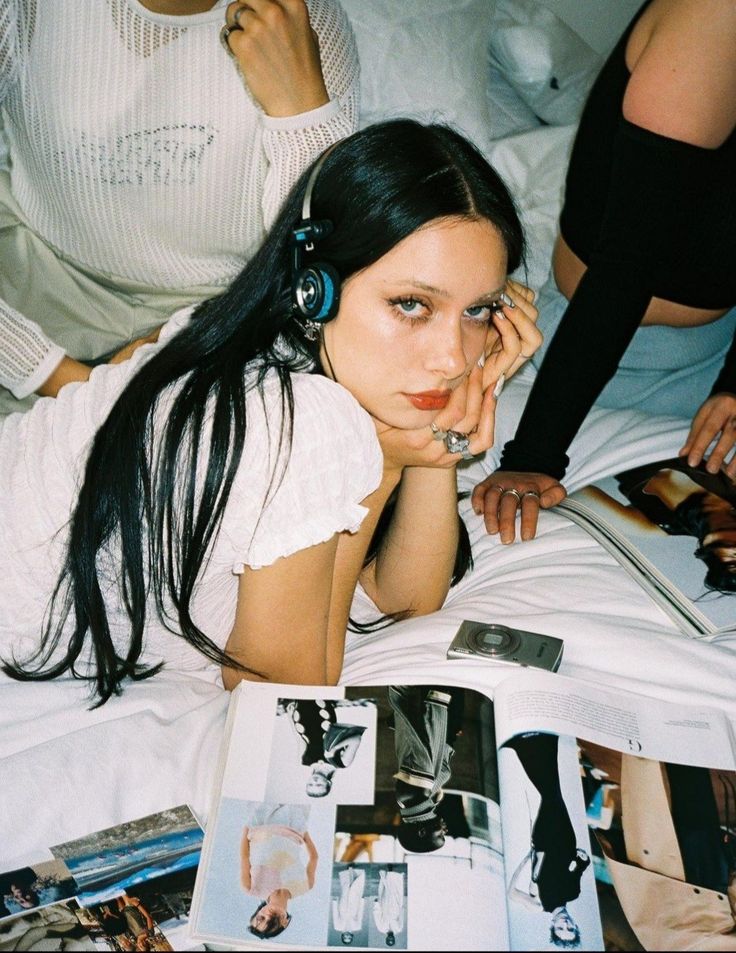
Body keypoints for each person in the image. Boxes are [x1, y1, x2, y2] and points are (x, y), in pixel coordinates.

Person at [0, 119, 539, 705]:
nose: (452, 358)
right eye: (412, 304)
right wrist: (381, 467)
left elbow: (400, 599)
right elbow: (284, 691)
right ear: (316, 288)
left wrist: (439, 438)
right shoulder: (304, 418)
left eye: (479, 310)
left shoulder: (272, 347)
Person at [0, 0, 360, 416]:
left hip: (225, 322)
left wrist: (305, 117)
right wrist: (57, 377)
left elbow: (318, 280)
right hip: (29, 286)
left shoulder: (305, 25)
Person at [472, 0, 736, 544]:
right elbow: (625, 267)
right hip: (602, 354)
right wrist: (534, 455)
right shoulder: (714, 20)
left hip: (720, 354)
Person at [503, 733, 590, 950]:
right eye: (571, 929)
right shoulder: (573, 893)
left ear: (553, 927)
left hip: (543, 842)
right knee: (554, 794)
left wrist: (525, 862)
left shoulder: (538, 905)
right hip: (565, 840)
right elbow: (579, 867)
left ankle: (533, 745)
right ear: (576, 926)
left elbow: (511, 893)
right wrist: (583, 859)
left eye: (561, 930)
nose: (566, 925)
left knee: (550, 795)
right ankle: (536, 744)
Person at [388, 686, 464, 853]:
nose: (445, 831)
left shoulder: (417, 793)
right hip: (443, 718)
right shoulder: (412, 800)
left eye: (441, 836)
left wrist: (440, 697)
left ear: (422, 832)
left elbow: (422, 740)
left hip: (438, 704)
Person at [241, 803, 317, 940]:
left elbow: (244, 856)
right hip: (294, 824)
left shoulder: (251, 888)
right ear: (284, 922)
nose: (268, 917)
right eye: (271, 924)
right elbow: (314, 858)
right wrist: (304, 832)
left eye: (261, 918)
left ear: (259, 911)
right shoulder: (305, 887)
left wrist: (248, 826)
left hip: (260, 821)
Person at [283, 698, 367, 797]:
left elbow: (299, 739)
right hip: (322, 715)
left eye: (310, 784)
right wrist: (335, 749)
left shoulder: (303, 761)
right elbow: (357, 739)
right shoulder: (341, 763)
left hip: (300, 719)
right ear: (329, 783)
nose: (314, 781)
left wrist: (289, 716)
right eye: (318, 785)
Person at [331, 864, 365, 943]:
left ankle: (348, 870)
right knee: (355, 891)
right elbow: (360, 914)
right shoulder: (357, 927)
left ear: (342, 936)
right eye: (348, 938)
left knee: (346, 889)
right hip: (354, 907)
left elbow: (335, 915)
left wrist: (334, 903)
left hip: (342, 907)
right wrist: (362, 901)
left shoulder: (338, 927)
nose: (347, 936)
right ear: (351, 937)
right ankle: (353, 871)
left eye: (345, 938)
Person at [372, 868, 405, 946]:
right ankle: (393, 874)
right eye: (392, 940)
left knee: (387, 891)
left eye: (389, 940)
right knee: (395, 891)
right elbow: (401, 916)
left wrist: (376, 904)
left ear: (386, 938)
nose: (390, 938)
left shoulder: (381, 928)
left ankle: (388, 873)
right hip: (395, 907)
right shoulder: (399, 929)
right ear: (394, 939)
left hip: (385, 906)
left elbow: (377, 916)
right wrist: (401, 905)